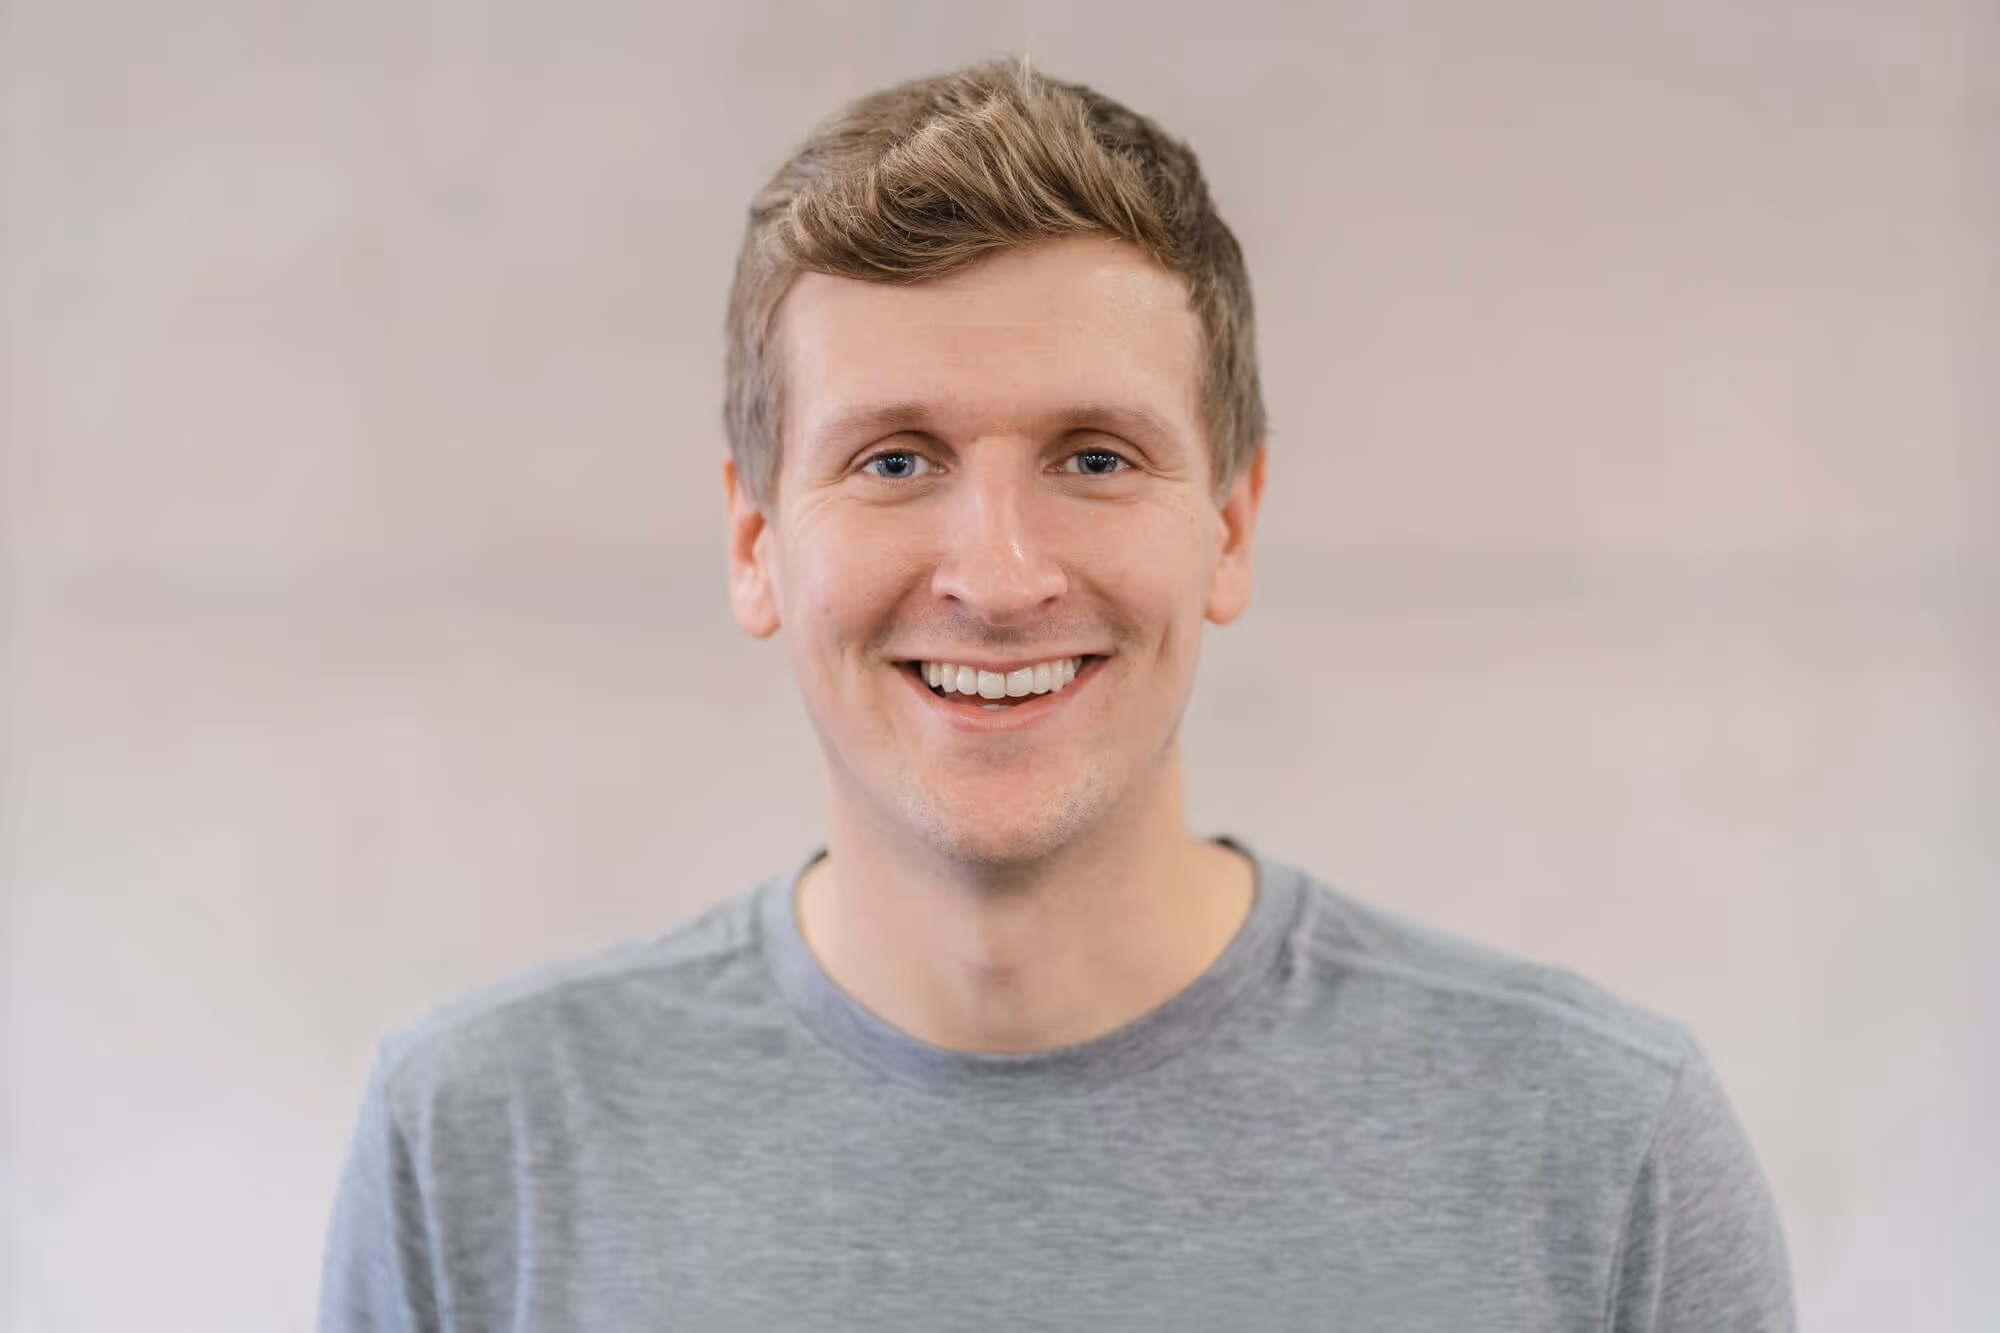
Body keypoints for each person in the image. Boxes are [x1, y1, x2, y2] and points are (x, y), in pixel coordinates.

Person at [318, 58, 1795, 1332]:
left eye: (1095, 457)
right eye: (895, 460)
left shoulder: (1599, 1158)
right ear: (755, 541)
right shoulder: (477, 1152)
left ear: (1230, 527)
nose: (1000, 574)